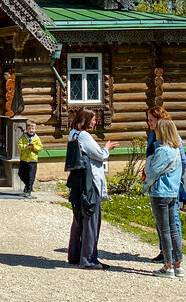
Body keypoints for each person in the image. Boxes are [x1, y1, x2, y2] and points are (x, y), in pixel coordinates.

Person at [67, 108, 118, 270]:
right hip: (90, 181)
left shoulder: (72, 134)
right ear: (86, 120)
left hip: (78, 180)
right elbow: (99, 154)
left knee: (79, 218)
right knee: (91, 218)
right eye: (93, 119)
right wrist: (107, 148)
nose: (95, 122)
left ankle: (75, 254)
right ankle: (89, 259)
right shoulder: (84, 136)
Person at [145, 106, 186, 262]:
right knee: (161, 222)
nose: (149, 123)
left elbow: (182, 160)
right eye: (148, 120)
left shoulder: (173, 138)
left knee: (172, 222)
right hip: (156, 184)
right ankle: (165, 251)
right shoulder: (152, 136)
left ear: (160, 119)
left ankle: (175, 256)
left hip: (168, 184)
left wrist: (176, 177)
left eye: (151, 120)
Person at [18, 119, 42, 197]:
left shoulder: (36, 138)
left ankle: (29, 190)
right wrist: (26, 146)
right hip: (24, 159)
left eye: (33, 128)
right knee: (21, 174)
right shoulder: (23, 137)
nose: (31, 130)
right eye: (29, 129)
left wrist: (33, 147)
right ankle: (27, 184)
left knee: (31, 176)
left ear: (35, 129)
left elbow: (40, 148)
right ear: (27, 129)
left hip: (32, 159)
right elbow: (19, 145)